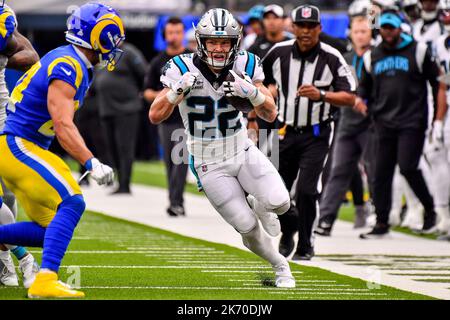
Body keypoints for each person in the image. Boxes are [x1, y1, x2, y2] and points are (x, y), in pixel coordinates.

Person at [149, 8, 295, 288]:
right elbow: (155, 116)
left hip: (241, 150)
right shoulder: (180, 67)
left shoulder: (246, 64)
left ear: (235, 42)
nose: (218, 48)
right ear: (201, 41)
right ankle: (280, 266)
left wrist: (251, 92)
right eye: (213, 42)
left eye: (225, 42)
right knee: (246, 226)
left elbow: (270, 114)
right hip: (208, 161)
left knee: (280, 203)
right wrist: (176, 91)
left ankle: (260, 203)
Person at [0, 3, 122, 298]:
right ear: (98, 34)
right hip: (17, 145)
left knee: (48, 229)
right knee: (72, 201)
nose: (117, 42)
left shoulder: (72, 60)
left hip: (22, 146)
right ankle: (45, 280)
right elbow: (63, 125)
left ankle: (41, 275)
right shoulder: (69, 64)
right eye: (113, 34)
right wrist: (90, 162)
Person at [261, 5, 357, 260]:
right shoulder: (277, 53)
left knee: (306, 190)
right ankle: (290, 225)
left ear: (319, 28)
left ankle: (306, 244)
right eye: (300, 26)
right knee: (275, 190)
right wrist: (265, 93)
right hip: (285, 131)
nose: (305, 31)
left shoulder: (331, 56)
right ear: (292, 27)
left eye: (310, 26)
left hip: (317, 132)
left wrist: (322, 94)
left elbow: (350, 96)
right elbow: (257, 80)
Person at [358, 11, 446, 239]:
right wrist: (364, 106)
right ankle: (382, 222)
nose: (388, 31)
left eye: (392, 28)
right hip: (383, 122)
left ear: (400, 28)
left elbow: (437, 84)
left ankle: (429, 208)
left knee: (408, 167)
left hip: (412, 121)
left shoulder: (418, 50)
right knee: (381, 173)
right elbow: (364, 89)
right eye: (384, 28)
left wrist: (436, 118)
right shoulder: (372, 56)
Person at [316, 15, 374, 236]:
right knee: (337, 171)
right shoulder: (344, 59)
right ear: (350, 33)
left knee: (374, 170)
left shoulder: (377, 57)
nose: (360, 35)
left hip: (371, 123)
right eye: (356, 31)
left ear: (371, 34)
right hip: (346, 122)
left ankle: (377, 215)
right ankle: (325, 220)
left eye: (364, 31)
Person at [0, 2, 40, 288]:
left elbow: (30, 54)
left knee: (7, 193)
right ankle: (17, 261)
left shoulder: (3, 18)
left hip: (0, 114)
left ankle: (18, 261)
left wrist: (3, 57)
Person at [144, 17, 191, 217]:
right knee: (170, 164)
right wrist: (169, 95)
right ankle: (174, 201)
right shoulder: (158, 62)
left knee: (180, 163)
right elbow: (146, 92)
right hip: (165, 120)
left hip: (186, 121)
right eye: (171, 32)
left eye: (178, 32)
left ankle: (176, 203)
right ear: (165, 35)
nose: (174, 36)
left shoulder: (192, 59)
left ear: (183, 33)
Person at [96, 41, 147, 194]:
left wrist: (138, 92)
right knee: (111, 148)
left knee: (125, 147)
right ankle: (119, 181)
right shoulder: (102, 53)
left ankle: (125, 185)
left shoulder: (130, 52)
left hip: (127, 108)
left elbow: (144, 73)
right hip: (106, 108)